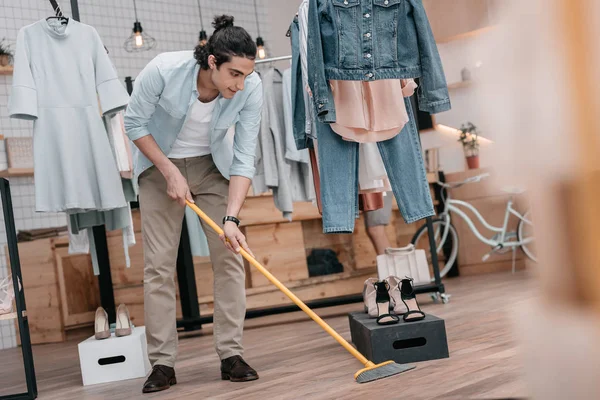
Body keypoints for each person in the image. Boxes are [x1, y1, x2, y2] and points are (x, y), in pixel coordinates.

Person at [124, 15, 262, 394]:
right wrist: (169, 171)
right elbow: (134, 123)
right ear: (212, 62)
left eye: (246, 75)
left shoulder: (250, 89)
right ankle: (163, 364)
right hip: (159, 165)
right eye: (235, 74)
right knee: (159, 267)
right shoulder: (164, 69)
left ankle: (231, 355)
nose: (241, 83)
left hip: (214, 167)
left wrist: (232, 218)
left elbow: (244, 158)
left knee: (231, 257)